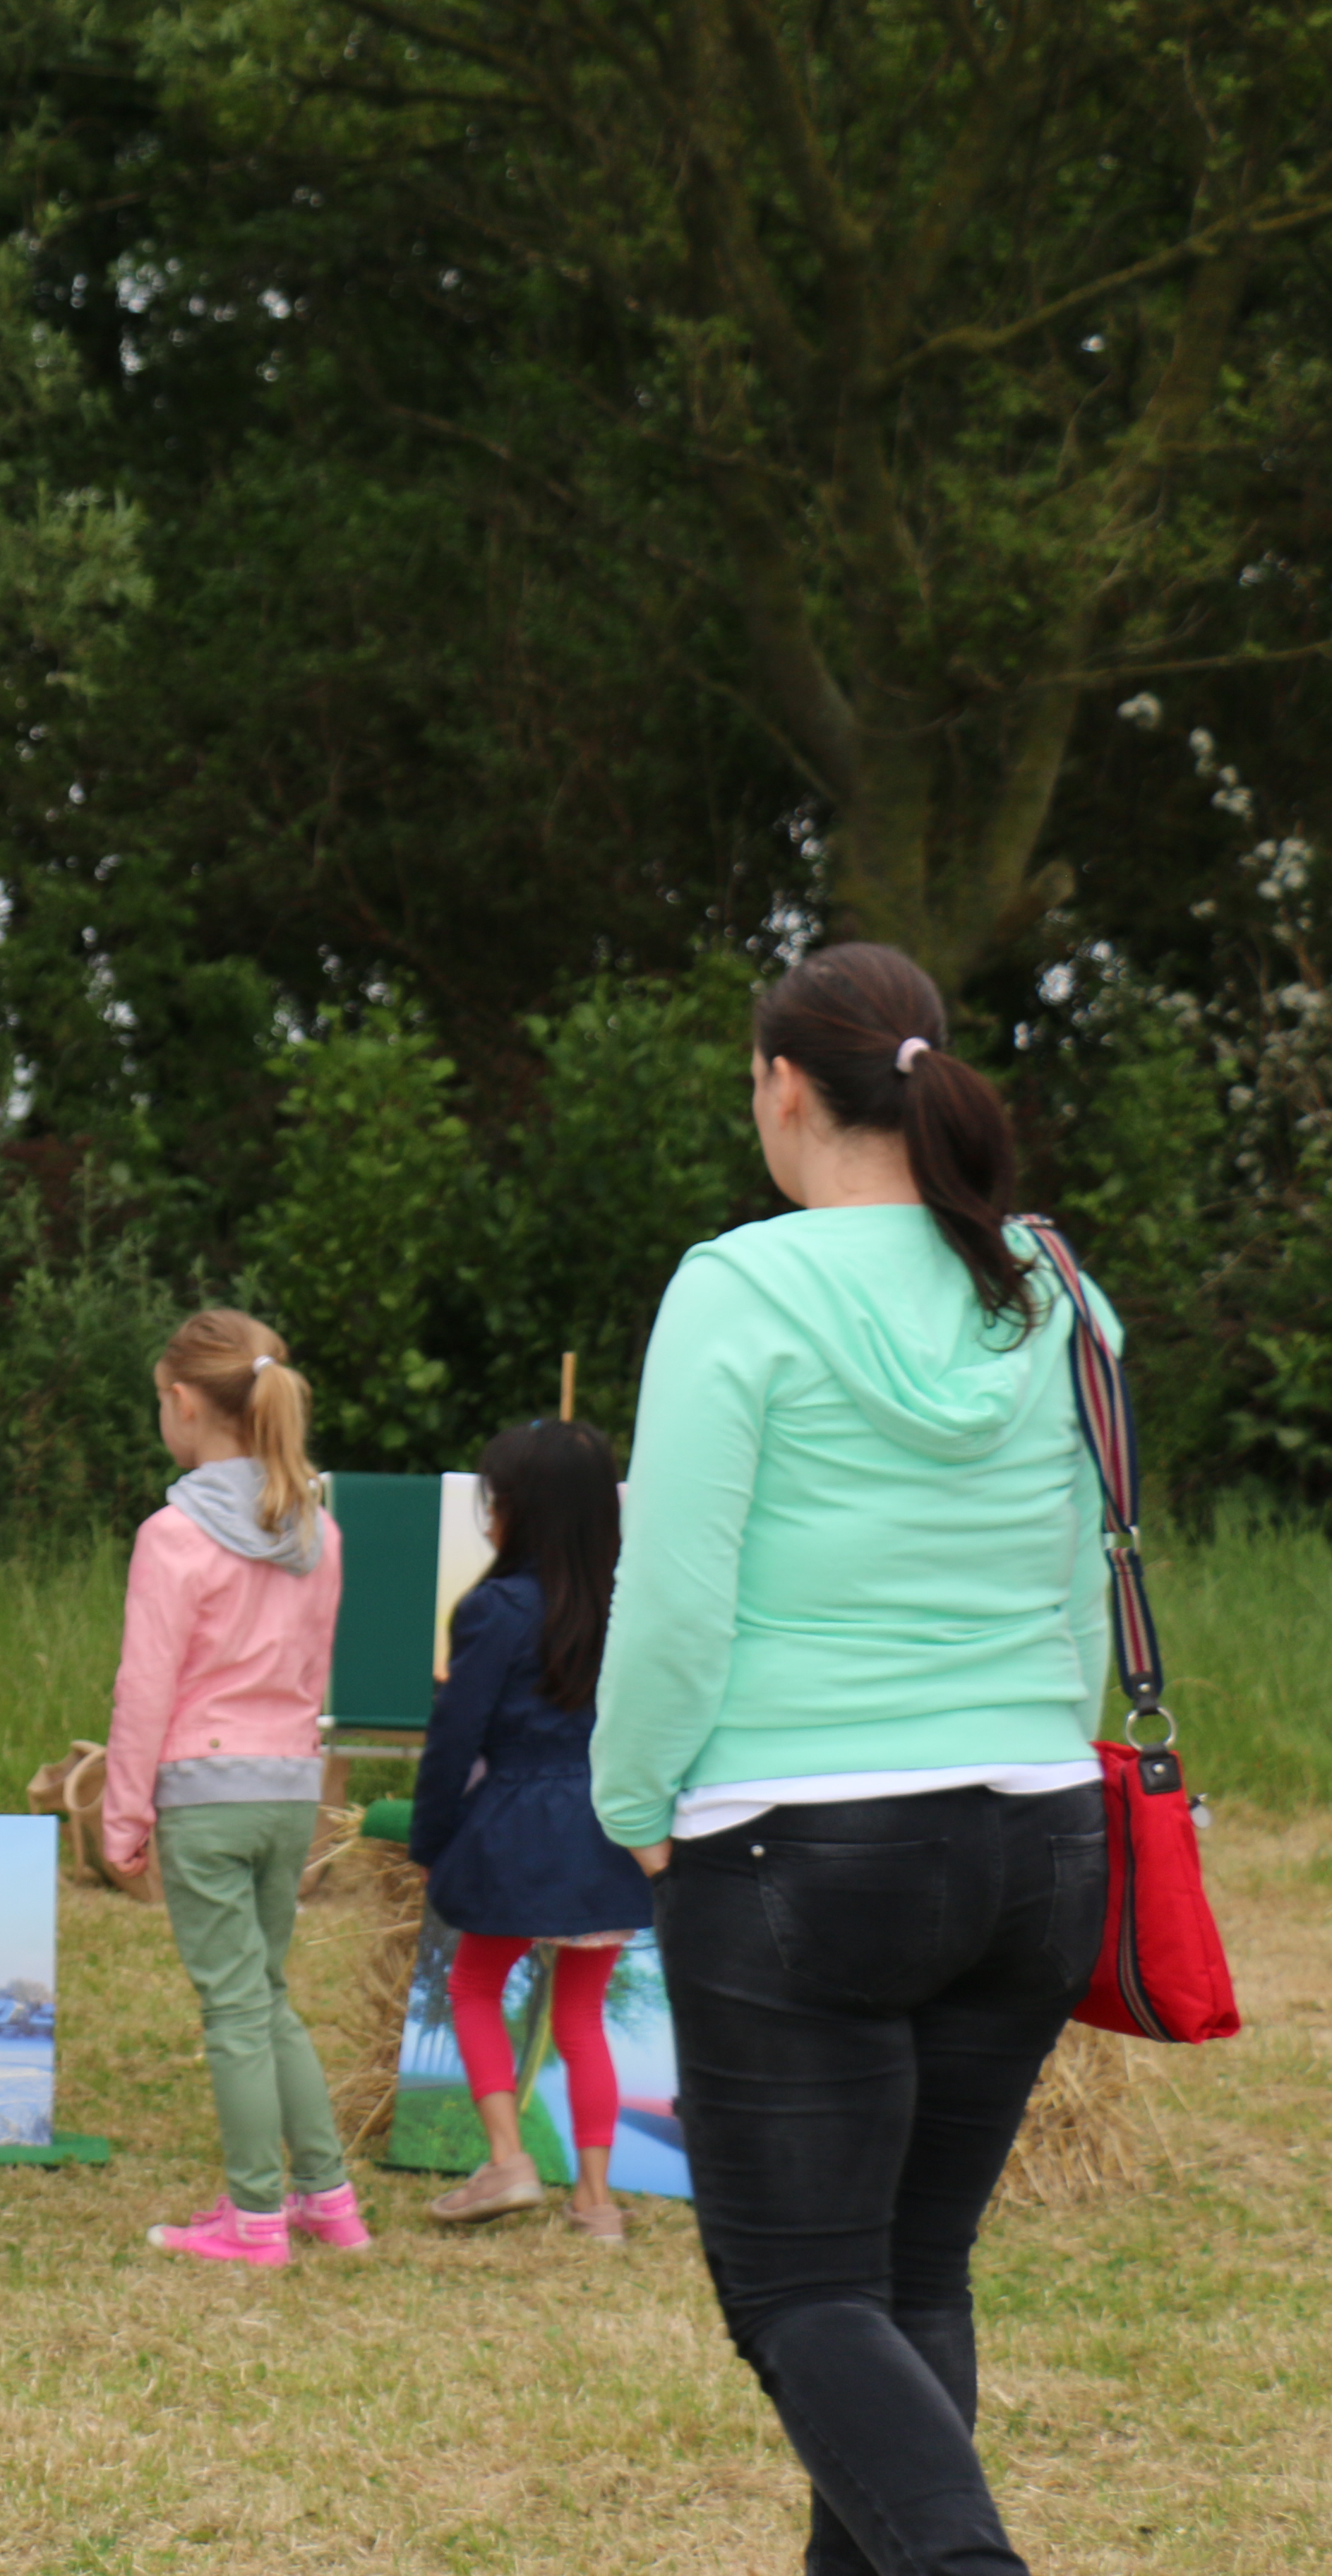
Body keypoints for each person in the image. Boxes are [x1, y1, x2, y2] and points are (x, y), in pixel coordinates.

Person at [598, 942, 1114, 2574]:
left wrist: (629, 1801)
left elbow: (673, 1592)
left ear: (779, 1087)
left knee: (800, 2291)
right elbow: (1086, 1564)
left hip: (793, 1846)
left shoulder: (739, 1287)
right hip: (1037, 1830)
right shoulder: (1052, 1291)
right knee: (907, 2277)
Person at [103, 1308, 364, 2270]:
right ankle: (328, 2200)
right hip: (290, 1790)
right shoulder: (317, 1534)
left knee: (232, 2012)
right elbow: (316, 1672)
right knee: (270, 1994)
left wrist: (121, 1815)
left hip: (204, 1794)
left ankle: (256, 2218)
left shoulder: (172, 1537)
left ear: (181, 1405)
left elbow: (145, 1690)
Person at [408, 1416, 654, 2240]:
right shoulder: (639, 1608)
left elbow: (454, 1740)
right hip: (613, 1830)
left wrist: (432, 1842)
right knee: (582, 2017)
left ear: (516, 1511)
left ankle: (508, 2160)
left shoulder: (497, 1609)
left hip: (516, 1825)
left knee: (475, 1985)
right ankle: (596, 2201)